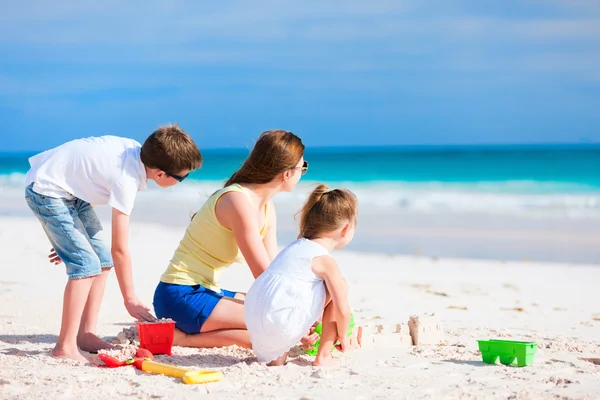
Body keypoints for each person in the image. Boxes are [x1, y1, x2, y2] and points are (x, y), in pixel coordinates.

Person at [25, 125, 202, 363]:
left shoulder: (133, 152)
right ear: (160, 174)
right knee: (86, 265)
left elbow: (89, 176)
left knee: (102, 260)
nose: (184, 180)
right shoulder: (126, 180)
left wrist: (70, 237)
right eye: (182, 177)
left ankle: (86, 334)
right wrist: (130, 299)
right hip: (47, 190)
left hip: (70, 192)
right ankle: (64, 346)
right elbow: (120, 248)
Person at [153, 130, 310, 349]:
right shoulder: (237, 201)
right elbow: (264, 277)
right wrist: (293, 319)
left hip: (207, 290)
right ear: (286, 173)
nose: (303, 173)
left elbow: (274, 269)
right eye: (303, 168)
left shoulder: (265, 207)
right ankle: (185, 339)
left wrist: (302, 307)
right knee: (274, 324)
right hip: (179, 295)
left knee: (280, 317)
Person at [244, 184, 357, 366]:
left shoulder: (294, 248)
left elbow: (284, 292)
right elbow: (342, 309)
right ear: (345, 229)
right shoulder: (325, 261)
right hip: (281, 324)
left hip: (255, 324)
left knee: (311, 287)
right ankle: (324, 356)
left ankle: (277, 360)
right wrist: (343, 336)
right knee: (340, 286)